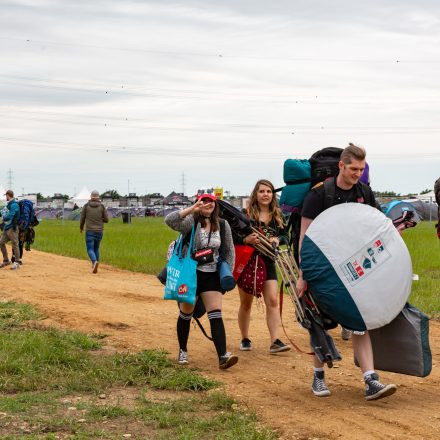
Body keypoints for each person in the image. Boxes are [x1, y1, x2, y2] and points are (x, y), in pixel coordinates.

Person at [296, 143, 397, 401]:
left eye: (361, 169)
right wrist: (303, 275)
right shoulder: (318, 195)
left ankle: (370, 380)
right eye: (353, 168)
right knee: (321, 324)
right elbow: (304, 237)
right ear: (341, 165)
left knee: (360, 323)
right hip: (322, 268)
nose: (357, 174)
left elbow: (375, 227)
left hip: (356, 267)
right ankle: (318, 376)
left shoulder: (365, 192)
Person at [165, 193, 238, 370]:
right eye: (203, 201)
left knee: (216, 313)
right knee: (186, 313)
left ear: (215, 204)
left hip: (212, 274)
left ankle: (222, 356)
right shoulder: (191, 222)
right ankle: (183, 350)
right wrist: (192, 209)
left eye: (210, 201)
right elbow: (170, 220)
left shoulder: (222, 224)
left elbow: (228, 251)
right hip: (191, 273)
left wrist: (226, 273)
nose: (207, 204)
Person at [234, 179, 291, 354]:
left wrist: (277, 239)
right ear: (255, 194)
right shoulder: (245, 215)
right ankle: (244, 338)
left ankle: (275, 341)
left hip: (268, 262)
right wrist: (246, 240)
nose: (265, 194)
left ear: (273, 194)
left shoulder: (278, 216)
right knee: (246, 303)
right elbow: (232, 236)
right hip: (249, 262)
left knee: (273, 300)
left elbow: (285, 238)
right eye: (261, 191)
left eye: (268, 191)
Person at [79, 190, 109, 273]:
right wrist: (101, 219)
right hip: (99, 231)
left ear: (91, 197)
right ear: (98, 197)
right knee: (96, 248)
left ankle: (94, 262)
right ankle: (95, 264)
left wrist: (81, 228)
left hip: (89, 231)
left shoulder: (86, 206)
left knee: (90, 249)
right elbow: (106, 220)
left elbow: (82, 218)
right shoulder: (102, 206)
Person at [0, 190, 21, 270]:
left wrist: (4, 217)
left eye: (6, 196)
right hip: (7, 227)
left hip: (13, 228)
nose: (6, 197)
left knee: (15, 244)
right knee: (1, 242)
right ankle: (6, 260)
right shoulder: (9, 204)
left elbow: (10, 215)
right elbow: (3, 212)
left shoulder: (14, 205)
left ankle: (17, 262)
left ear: (8, 195)